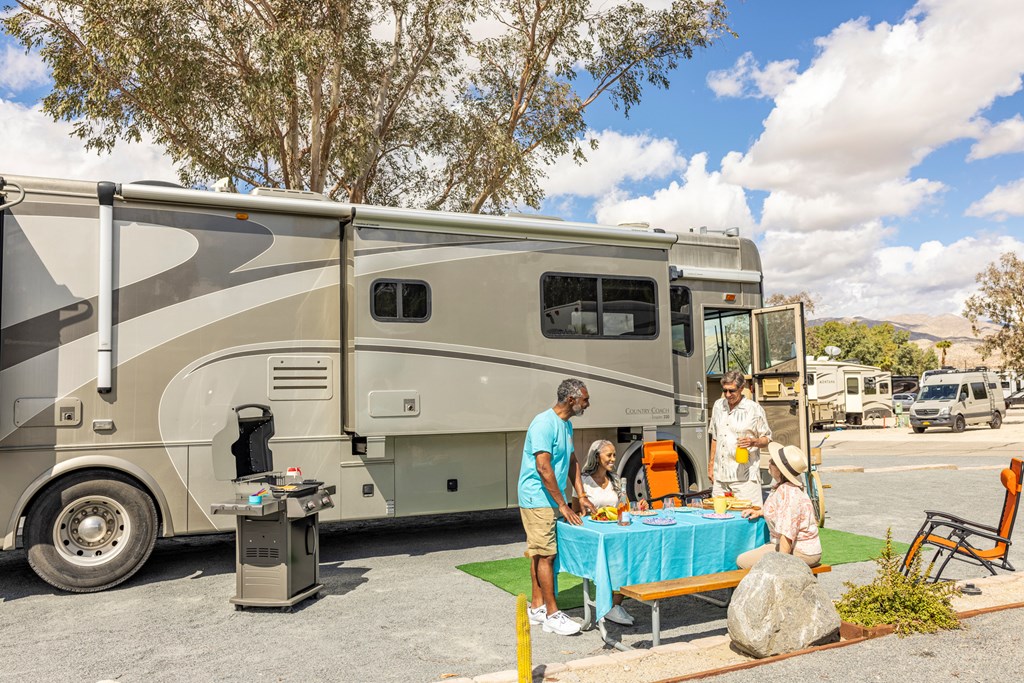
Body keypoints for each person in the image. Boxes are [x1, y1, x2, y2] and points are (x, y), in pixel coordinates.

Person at [518, 378, 596, 636]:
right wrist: (563, 505)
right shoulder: (543, 423)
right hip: (537, 497)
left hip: (550, 497)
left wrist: (581, 494)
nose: (587, 403)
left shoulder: (567, 425)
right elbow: (543, 467)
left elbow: (573, 460)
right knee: (547, 554)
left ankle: (537, 607)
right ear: (571, 400)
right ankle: (552, 613)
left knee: (539, 551)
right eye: (584, 399)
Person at [571, 439, 634, 626]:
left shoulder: (615, 479)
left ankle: (614, 606)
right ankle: (607, 607)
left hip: (615, 533)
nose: (613, 459)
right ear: (597, 457)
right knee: (613, 562)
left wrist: (638, 507)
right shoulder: (583, 482)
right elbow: (576, 512)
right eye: (609, 455)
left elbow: (626, 506)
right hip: (594, 535)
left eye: (614, 455)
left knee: (627, 556)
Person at [736, 441, 822, 569]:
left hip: (801, 551)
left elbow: (787, 533)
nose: (769, 462)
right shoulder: (787, 486)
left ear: (780, 469)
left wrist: (781, 566)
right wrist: (762, 512)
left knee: (743, 561)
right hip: (798, 546)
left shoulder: (788, 492)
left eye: (773, 461)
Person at [708, 370, 772, 503]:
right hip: (720, 477)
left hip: (745, 478)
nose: (727, 395)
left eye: (732, 391)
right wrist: (710, 466)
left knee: (748, 517)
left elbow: (767, 438)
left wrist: (753, 442)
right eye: (725, 390)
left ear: (741, 388)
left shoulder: (754, 409)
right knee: (718, 516)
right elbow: (715, 438)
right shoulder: (718, 406)